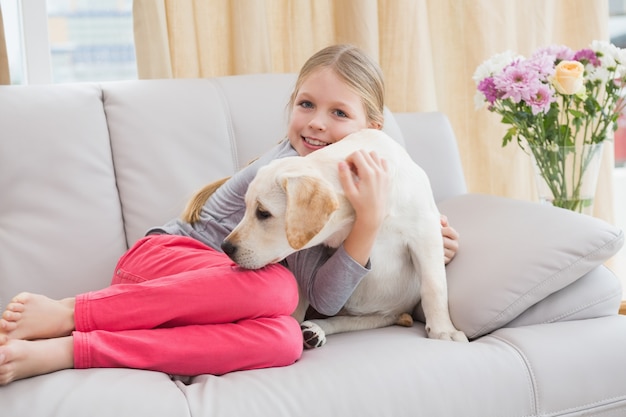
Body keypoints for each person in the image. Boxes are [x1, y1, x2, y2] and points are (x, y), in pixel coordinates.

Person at [0, 44, 459, 386]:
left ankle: (75, 350)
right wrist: (369, 222)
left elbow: (327, 302)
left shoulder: (368, 180)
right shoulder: (285, 175)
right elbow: (320, 294)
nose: (317, 122)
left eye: (339, 112)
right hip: (162, 261)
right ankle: (69, 313)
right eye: (306, 104)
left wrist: (417, 237)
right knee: (281, 288)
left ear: (370, 129)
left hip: (223, 301)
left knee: (284, 340)